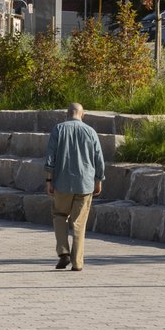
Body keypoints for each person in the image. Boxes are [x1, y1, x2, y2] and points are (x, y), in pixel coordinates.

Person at [44, 102, 105, 271]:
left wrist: (49, 181)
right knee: (79, 223)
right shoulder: (90, 131)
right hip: (84, 184)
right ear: (82, 114)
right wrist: (98, 180)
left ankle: (63, 253)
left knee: (59, 215)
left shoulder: (58, 129)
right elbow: (98, 159)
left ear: (67, 113)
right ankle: (77, 262)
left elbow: (50, 157)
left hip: (62, 183)